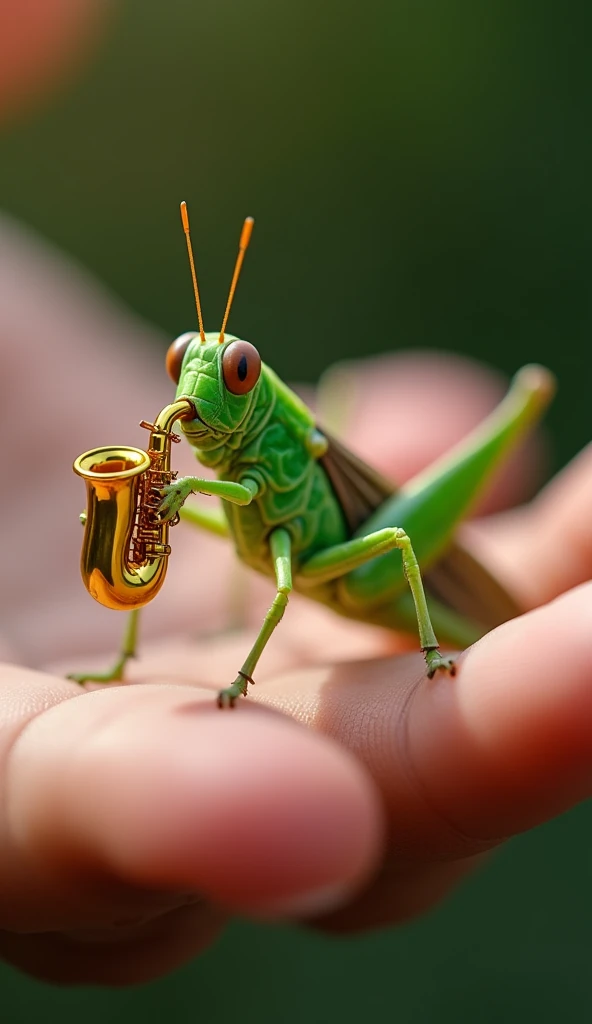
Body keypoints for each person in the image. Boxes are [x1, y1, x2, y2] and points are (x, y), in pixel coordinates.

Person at [2, 0, 592, 988]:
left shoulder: (286, 449)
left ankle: (450, 633)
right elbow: (190, 520)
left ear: (253, 386)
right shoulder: (208, 450)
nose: (192, 387)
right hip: (309, 562)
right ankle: (125, 654)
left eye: (223, 372)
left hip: (378, 558)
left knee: (393, 535)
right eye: (182, 362)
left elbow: (299, 572)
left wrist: (241, 679)